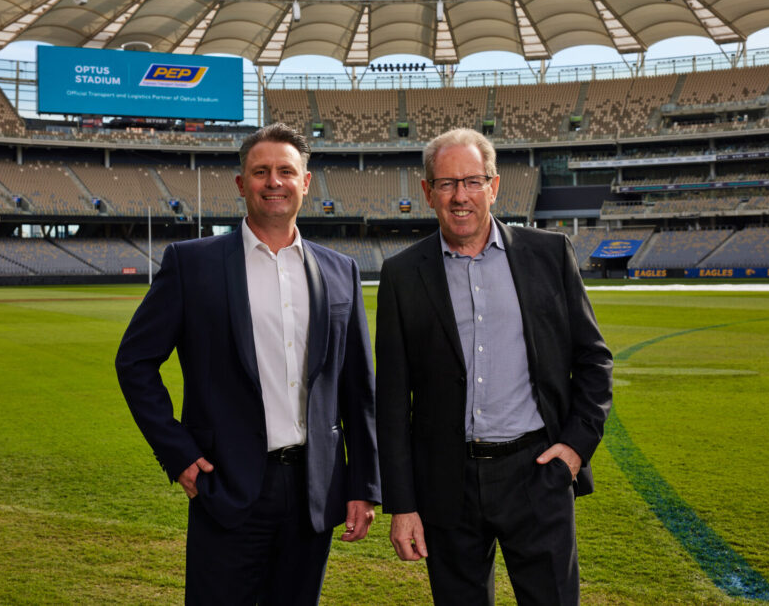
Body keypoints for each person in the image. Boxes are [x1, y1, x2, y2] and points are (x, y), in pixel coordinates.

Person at [115, 122, 381, 606]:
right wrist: (178, 453)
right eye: (261, 171)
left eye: (285, 171)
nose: (273, 182)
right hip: (227, 486)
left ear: (306, 182)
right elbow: (134, 361)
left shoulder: (340, 270)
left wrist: (364, 483)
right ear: (242, 184)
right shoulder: (191, 263)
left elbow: (358, 388)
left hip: (313, 493)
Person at [375, 128, 612, 605]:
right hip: (447, 484)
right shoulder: (402, 274)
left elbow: (593, 359)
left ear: (494, 186)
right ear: (427, 192)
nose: (460, 196)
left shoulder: (549, 254)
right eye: (445, 184)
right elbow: (392, 402)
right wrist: (402, 505)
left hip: (537, 472)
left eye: (472, 181)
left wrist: (573, 448)